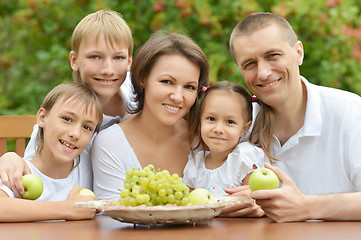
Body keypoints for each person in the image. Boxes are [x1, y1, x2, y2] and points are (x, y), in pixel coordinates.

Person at [225, 12, 361, 222]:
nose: (262, 73)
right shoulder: (236, 125)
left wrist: (306, 207)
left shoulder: (350, 112)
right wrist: (243, 203)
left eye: (272, 56)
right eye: (250, 63)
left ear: (299, 52)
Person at [0, 9, 134, 198]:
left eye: (118, 58)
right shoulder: (66, 117)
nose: (107, 69)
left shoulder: (140, 98)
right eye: (95, 57)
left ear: (129, 62)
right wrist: (10, 158)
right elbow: (36, 172)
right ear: (74, 60)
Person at [91, 32, 209, 200]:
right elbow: (110, 216)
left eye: (189, 87)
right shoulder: (110, 143)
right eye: (167, 82)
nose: (177, 97)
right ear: (142, 78)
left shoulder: (204, 140)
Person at [0, 82, 103, 222]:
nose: (75, 134)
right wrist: (68, 208)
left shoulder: (88, 165)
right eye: (67, 119)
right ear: (42, 118)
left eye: (87, 127)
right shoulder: (20, 172)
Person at [182, 81, 268, 199]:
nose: (218, 129)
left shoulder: (244, 157)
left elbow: (254, 200)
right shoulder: (196, 163)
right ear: (200, 121)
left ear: (244, 129)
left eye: (230, 122)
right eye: (211, 119)